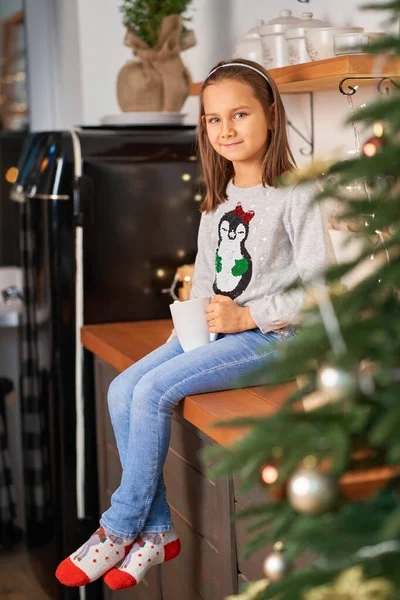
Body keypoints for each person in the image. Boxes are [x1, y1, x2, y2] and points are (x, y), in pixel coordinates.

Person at [56, 58, 331, 591]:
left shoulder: (297, 194)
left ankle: (119, 527)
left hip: (277, 338)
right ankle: (157, 532)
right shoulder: (218, 200)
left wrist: (248, 314)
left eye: (240, 115)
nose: (226, 130)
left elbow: (321, 289)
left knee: (154, 391)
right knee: (122, 389)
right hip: (221, 333)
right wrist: (181, 337)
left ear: (271, 116)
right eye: (213, 119)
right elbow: (205, 284)